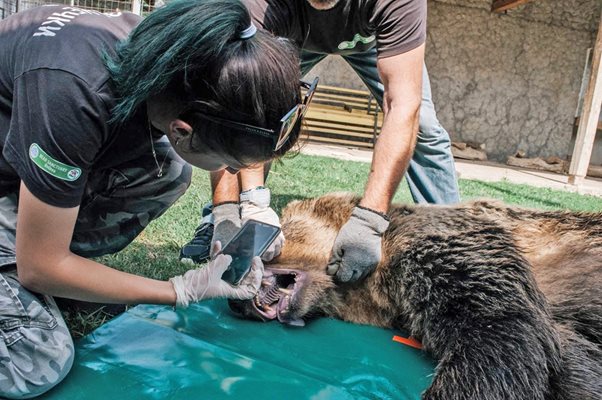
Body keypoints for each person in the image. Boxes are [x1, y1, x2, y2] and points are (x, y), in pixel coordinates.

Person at [0, 0, 305, 397]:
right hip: (23, 169)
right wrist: (178, 290)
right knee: (37, 363)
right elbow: (39, 266)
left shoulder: (173, 57)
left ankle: (47, 268)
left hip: (20, 164)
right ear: (182, 130)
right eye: (230, 163)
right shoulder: (72, 93)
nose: (230, 173)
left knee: (167, 171)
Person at [180, 0, 460, 283]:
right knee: (251, 94)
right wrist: (228, 211)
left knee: (423, 126)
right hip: (289, 37)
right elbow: (234, 100)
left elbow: (402, 103)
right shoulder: (261, 5)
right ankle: (224, 215)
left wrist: (370, 222)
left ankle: (453, 240)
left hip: (370, 38)